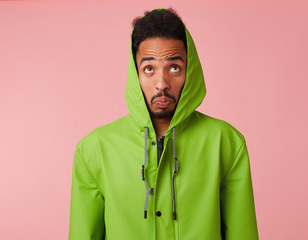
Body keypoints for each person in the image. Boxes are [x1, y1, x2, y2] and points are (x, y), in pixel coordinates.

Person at [69, 8, 259, 240]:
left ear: (189, 70)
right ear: (135, 73)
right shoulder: (94, 150)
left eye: (174, 67)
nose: (162, 83)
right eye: (149, 69)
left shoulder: (226, 142)